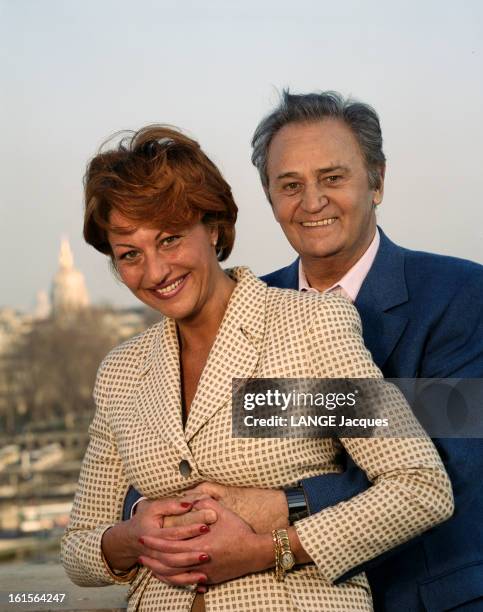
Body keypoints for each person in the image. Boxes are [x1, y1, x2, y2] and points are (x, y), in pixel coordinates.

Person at [61, 125, 453, 612]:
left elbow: (420, 488)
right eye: (130, 255)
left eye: (169, 239)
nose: (155, 271)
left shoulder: (310, 326)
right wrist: (132, 536)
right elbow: (79, 547)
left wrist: (270, 549)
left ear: (213, 228)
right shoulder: (120, 371)